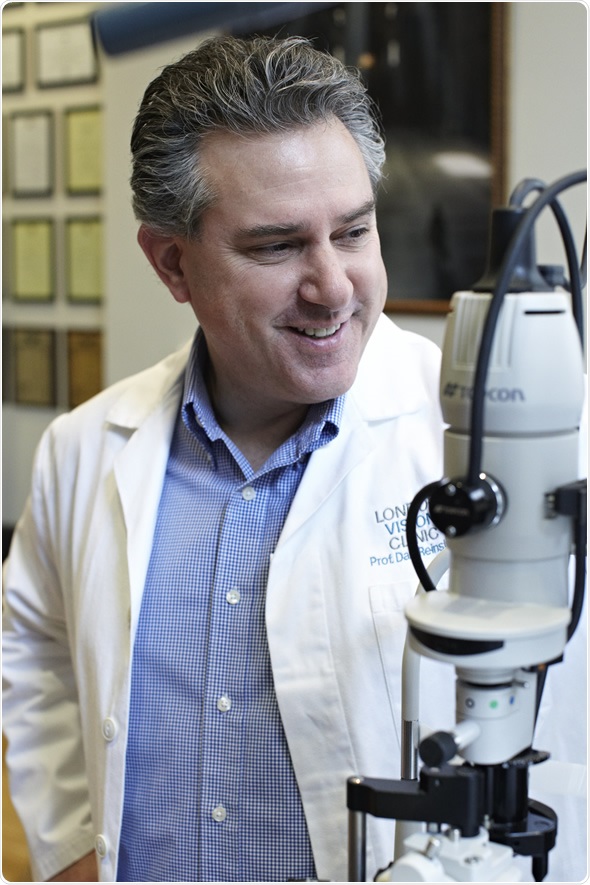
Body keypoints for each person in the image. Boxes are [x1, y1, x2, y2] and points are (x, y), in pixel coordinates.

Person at [2, 35, 585, 884]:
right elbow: (35, 652)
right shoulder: (83, 449)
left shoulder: (498, 441)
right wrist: (69, 852)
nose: (333, 286)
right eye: (277, 246)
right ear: (172, 262)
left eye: (353, 231)